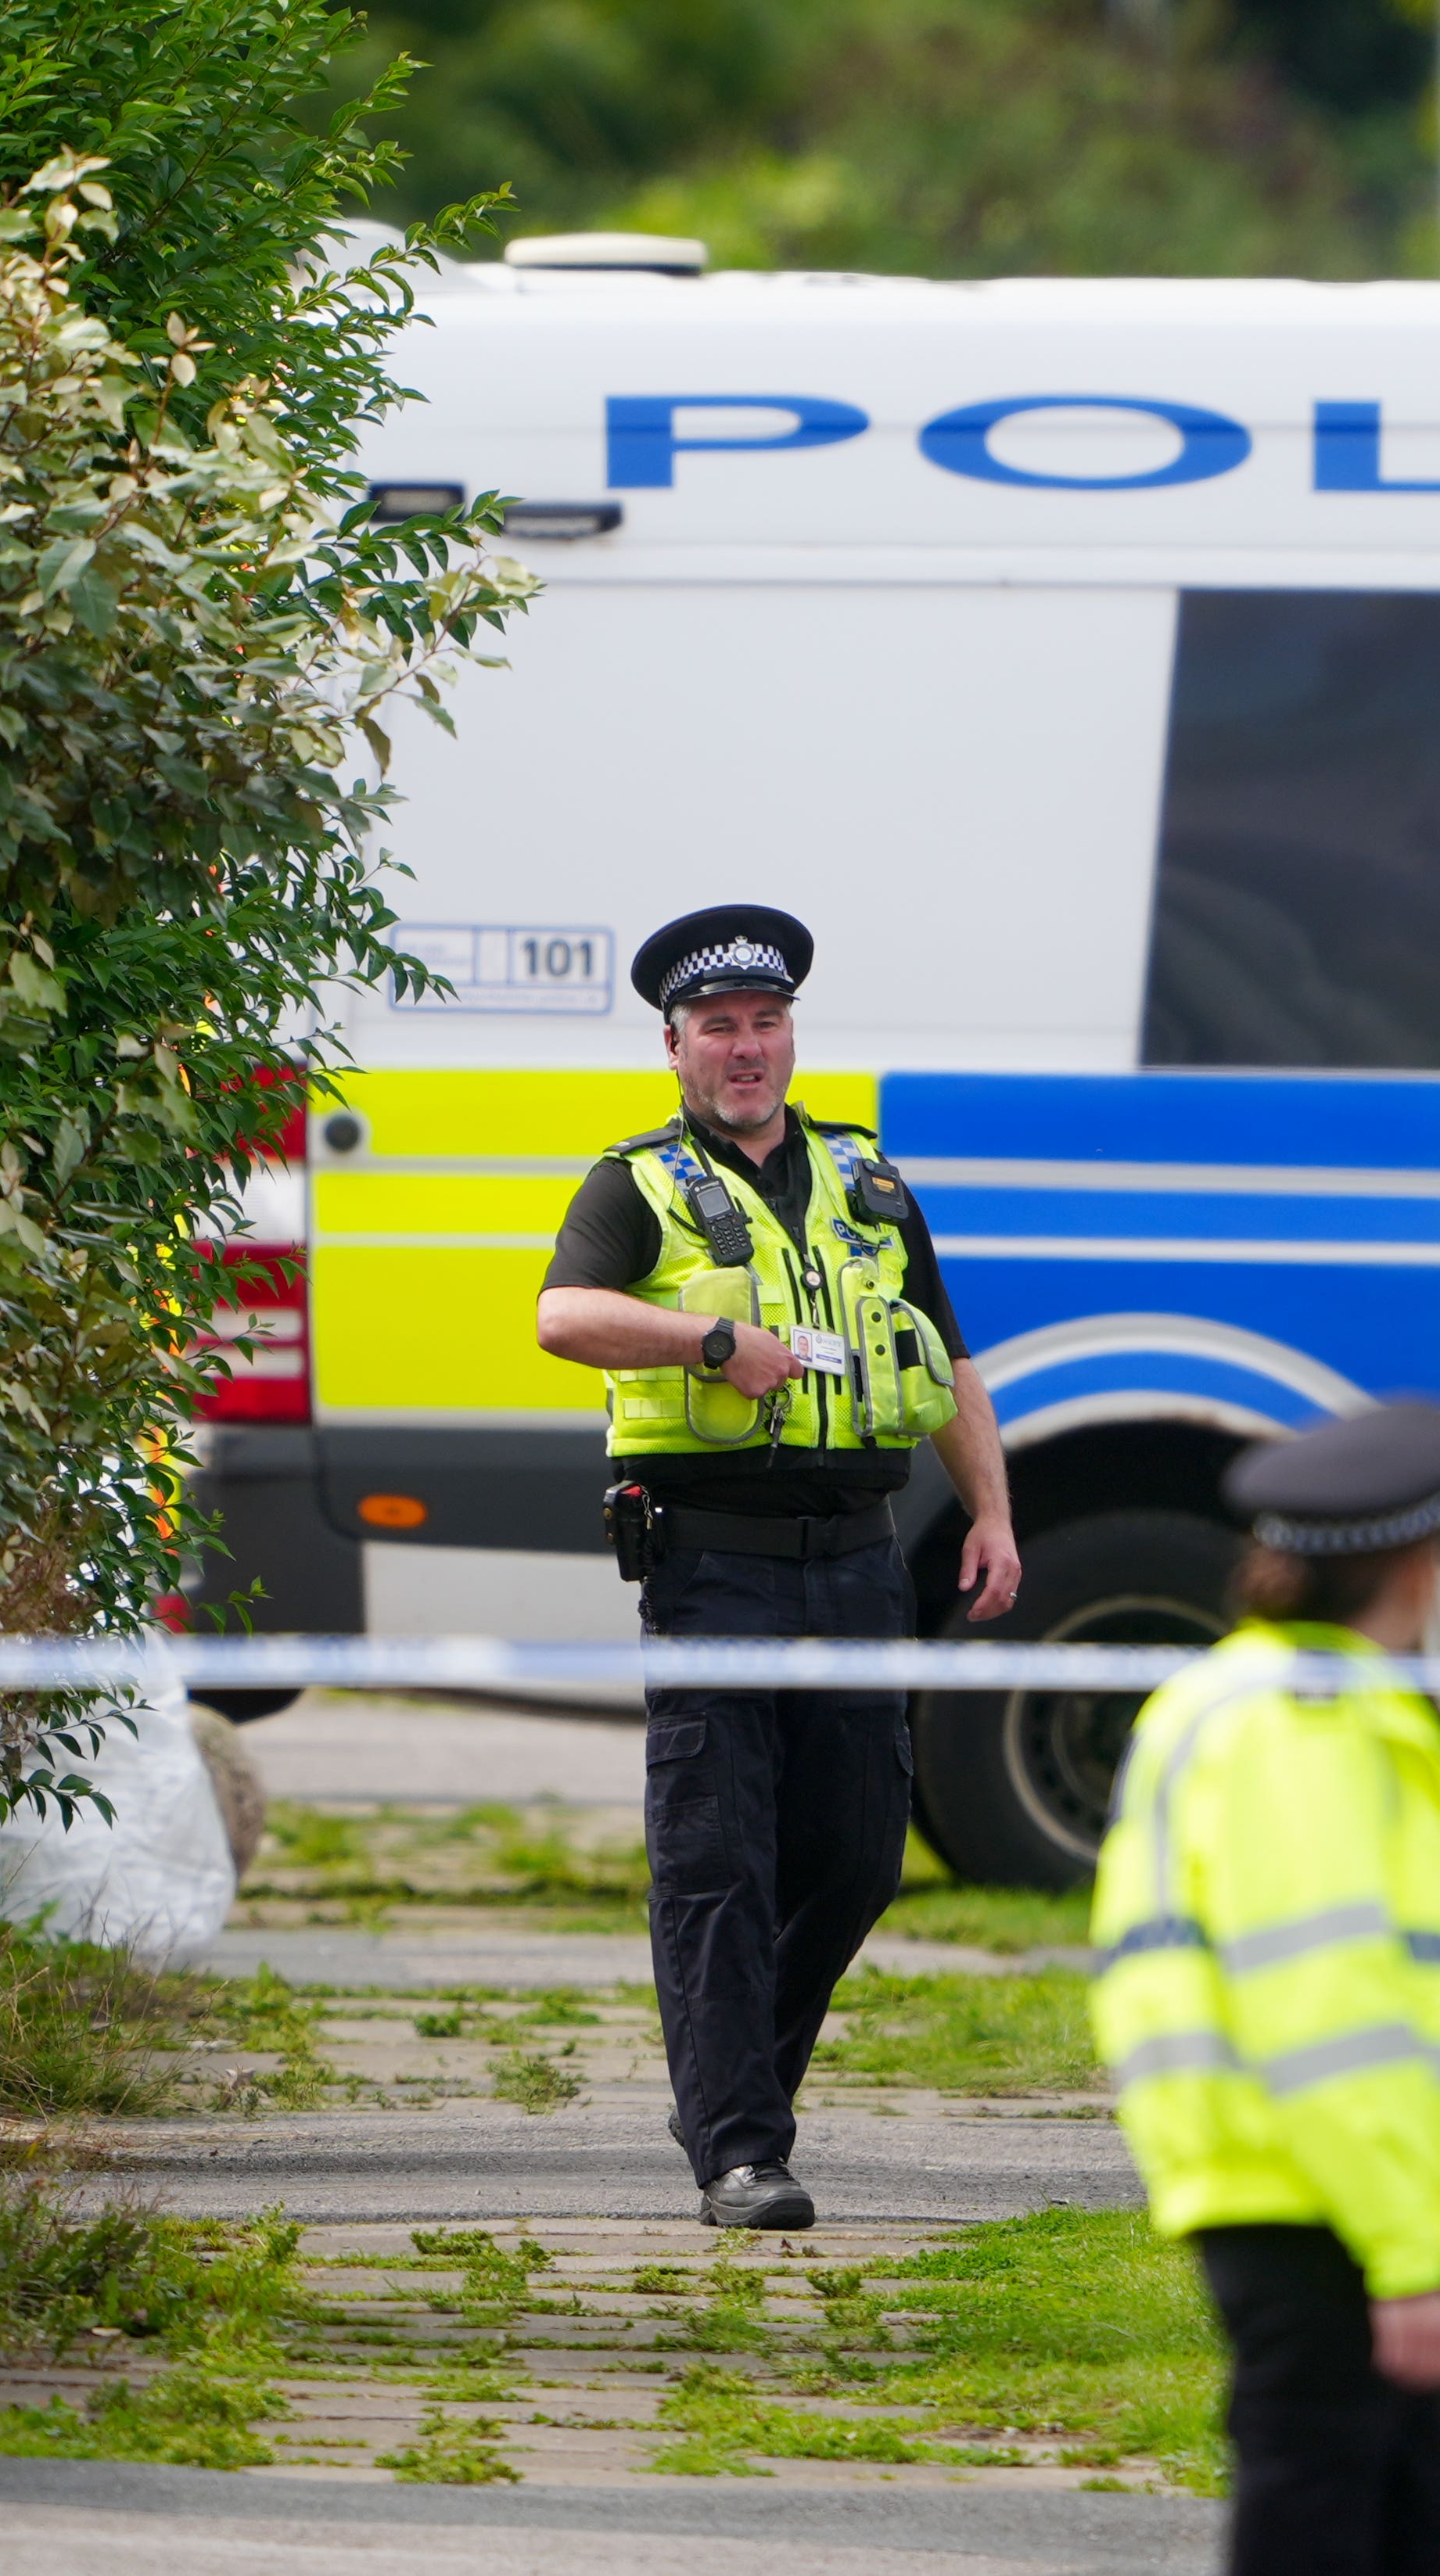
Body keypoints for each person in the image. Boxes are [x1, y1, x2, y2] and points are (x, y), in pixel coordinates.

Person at [533, 903, 1024, 2229]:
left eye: (764, 1024)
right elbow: (561, 1316)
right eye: (717, 1030)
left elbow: (953, 1358)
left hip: (860, 1563)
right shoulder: (632, 1182)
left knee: (859, 1857)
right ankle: (743, 2151)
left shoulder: (870, 1179)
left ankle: (726, 2085)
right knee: (718, 1863)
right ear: (676, 1049)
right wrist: (708, 1345)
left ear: (791, 1036)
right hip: (713, 1566)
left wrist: (992, 1514)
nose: (744, 1050)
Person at [1090, 1405, 1440, 2576]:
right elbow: (1324, 2013)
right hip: (1325, 2205)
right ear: (1417, 1563)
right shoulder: (1311, 1729)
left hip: (1290, 2190)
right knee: (1323, 2529)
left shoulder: (1231, 1698)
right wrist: (1402, 2258)